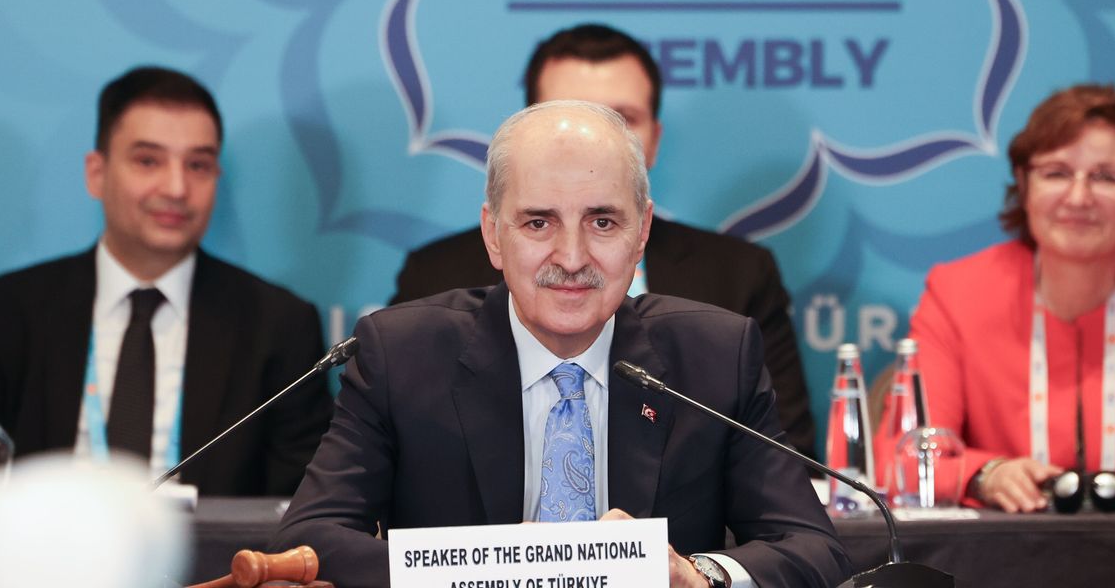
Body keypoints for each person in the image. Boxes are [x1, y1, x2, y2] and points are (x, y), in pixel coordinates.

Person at [274, 101, 850, 588]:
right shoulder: (403, 354)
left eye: (602, 222)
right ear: (492, 234)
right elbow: (307, 540)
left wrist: (697, 575)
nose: (572, 258)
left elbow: (813, 549)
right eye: (538, 223)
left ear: (642, 233)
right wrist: (486, 567)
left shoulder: (716, 357)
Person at [391, 23, 816, 458]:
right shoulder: (435, 277)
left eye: (622, 119)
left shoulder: (738, 278)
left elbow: (788, 461)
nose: (590, 137)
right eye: (568, 115)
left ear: (654, 139)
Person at [0, 66, 332, 496]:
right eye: (148, 161)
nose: (176, 188)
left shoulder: (279, 325)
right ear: (96, 173)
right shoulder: (4, 311)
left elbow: (301, 503)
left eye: (198, 165)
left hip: (210, 543)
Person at [903, 84, 1115, 513]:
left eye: (1107, 177)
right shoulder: (957, 292)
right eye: (1056, 173)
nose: (1079, 198)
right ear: (1024, 184)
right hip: (1009, 546)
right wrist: (985, 474)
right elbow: (907, 455)